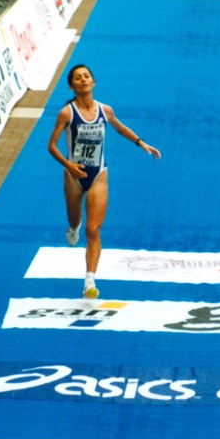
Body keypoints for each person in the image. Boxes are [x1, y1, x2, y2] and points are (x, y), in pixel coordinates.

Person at [46, 64, 160, 298]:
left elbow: (120, 128)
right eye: (78, 78)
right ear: (71, 86)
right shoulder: (67, 113)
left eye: (86, 76)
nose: (83, 80)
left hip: (98, 174)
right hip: (74, 176)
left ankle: (89, 281)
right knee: (75, 221)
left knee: (93, 229)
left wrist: (142, 143)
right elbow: (52, 146)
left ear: (93, 82)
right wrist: (69, 165)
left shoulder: (104, 110)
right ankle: (73, 228)